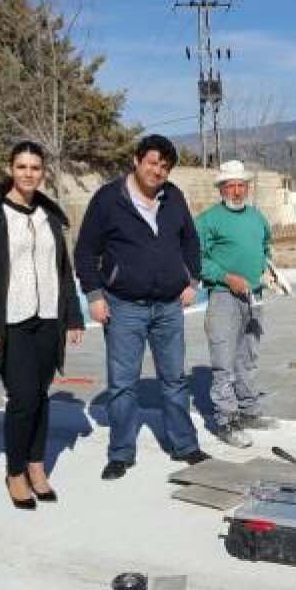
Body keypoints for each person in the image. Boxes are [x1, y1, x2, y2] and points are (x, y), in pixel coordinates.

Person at [74, 134, 212, 480]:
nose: (158, 170)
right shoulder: (108, 199)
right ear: (136, 161)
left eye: (165, 166)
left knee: (174, 379)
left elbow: (190, 239)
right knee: (123, 383)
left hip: (168, 306)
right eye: (152, 162)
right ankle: (121, 453)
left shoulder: (173, 196)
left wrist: (192, 280)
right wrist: (94, 296)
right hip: (123, 307)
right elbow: (85, 251)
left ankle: (185, 445)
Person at [0, 142, 85, 509]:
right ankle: (15, 471)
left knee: (41, 397)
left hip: (47, 317)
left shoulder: (47, 214)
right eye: (22, 167)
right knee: (23, 398)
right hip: (11, 320)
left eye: (36, 167)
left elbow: (62, 269)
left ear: (43, 171)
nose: (29, 174)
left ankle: (37, 466)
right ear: (10, 168)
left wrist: (72, 315)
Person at [195, 160, 277, 448]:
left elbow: (265, 247)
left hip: (254, 297)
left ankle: (249, 411)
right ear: (221, 189)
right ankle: (227, 420)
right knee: (223, 360)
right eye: (230, 185)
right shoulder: (207, 220)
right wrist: (225, 277)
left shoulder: (256, 217)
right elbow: (195, 258)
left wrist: (268, 271)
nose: (237, 191)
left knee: (249, 356)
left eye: (241, 185)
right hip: (223, 298)